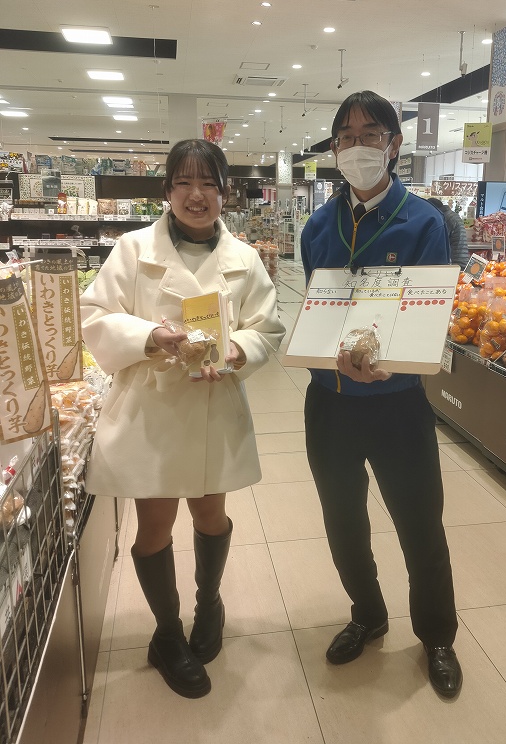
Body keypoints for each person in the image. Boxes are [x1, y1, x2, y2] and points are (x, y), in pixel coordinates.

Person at [80, 139, 285, 699]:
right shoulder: (133, 249)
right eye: (185, 183)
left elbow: (267, 326)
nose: (197, 195)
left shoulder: (244, 258)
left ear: (225, 192)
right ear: (167, 190)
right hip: (152, 409)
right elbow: (95, 314)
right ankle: (166, 634)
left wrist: (237, 350)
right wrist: (150, 336)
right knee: (154, 525)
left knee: (211, 514)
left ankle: (209, 604)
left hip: (214, 403)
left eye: (209, 183)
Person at [300, 91, 462, 699]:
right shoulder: (318, 226)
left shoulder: (423, 222)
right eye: (346, 136)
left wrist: (385, 362)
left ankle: (437, 636)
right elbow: (317, 312)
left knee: (420, 523)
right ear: (334, 148)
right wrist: (326, 354)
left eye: (371, 134)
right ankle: (367, 615)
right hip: (330, 402)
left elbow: (425, 317)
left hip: (398, 406)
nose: (357, 145)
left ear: (393, 145)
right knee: (343, 521)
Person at [428, 196, 469, 269]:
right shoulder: (452, 215)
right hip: (461, 258)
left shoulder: (444, 218)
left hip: (456, 261)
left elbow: (439, 243)